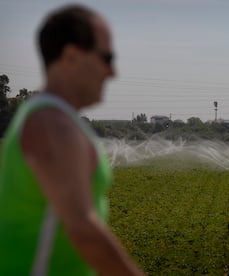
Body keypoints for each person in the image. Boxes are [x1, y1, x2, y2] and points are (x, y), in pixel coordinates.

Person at [0, 4, 146, 276]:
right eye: (106, 58)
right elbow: (83, 230)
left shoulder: (50, 117)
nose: (111, 72)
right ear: (70, 57)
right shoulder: (52, 124)